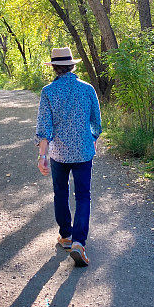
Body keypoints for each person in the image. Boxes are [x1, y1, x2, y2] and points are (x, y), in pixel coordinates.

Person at [35, 46, 102, 267]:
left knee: (60, 193)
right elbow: (96, 122)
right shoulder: (87, 89)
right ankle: (79, 243)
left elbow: (44, 127)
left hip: (59, 152)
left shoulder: (48, 91)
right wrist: (92, 138)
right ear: (72, 66)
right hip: (83, 151)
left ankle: (66, 235)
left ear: (54, 68)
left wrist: (42, 156)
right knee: (83, 196)